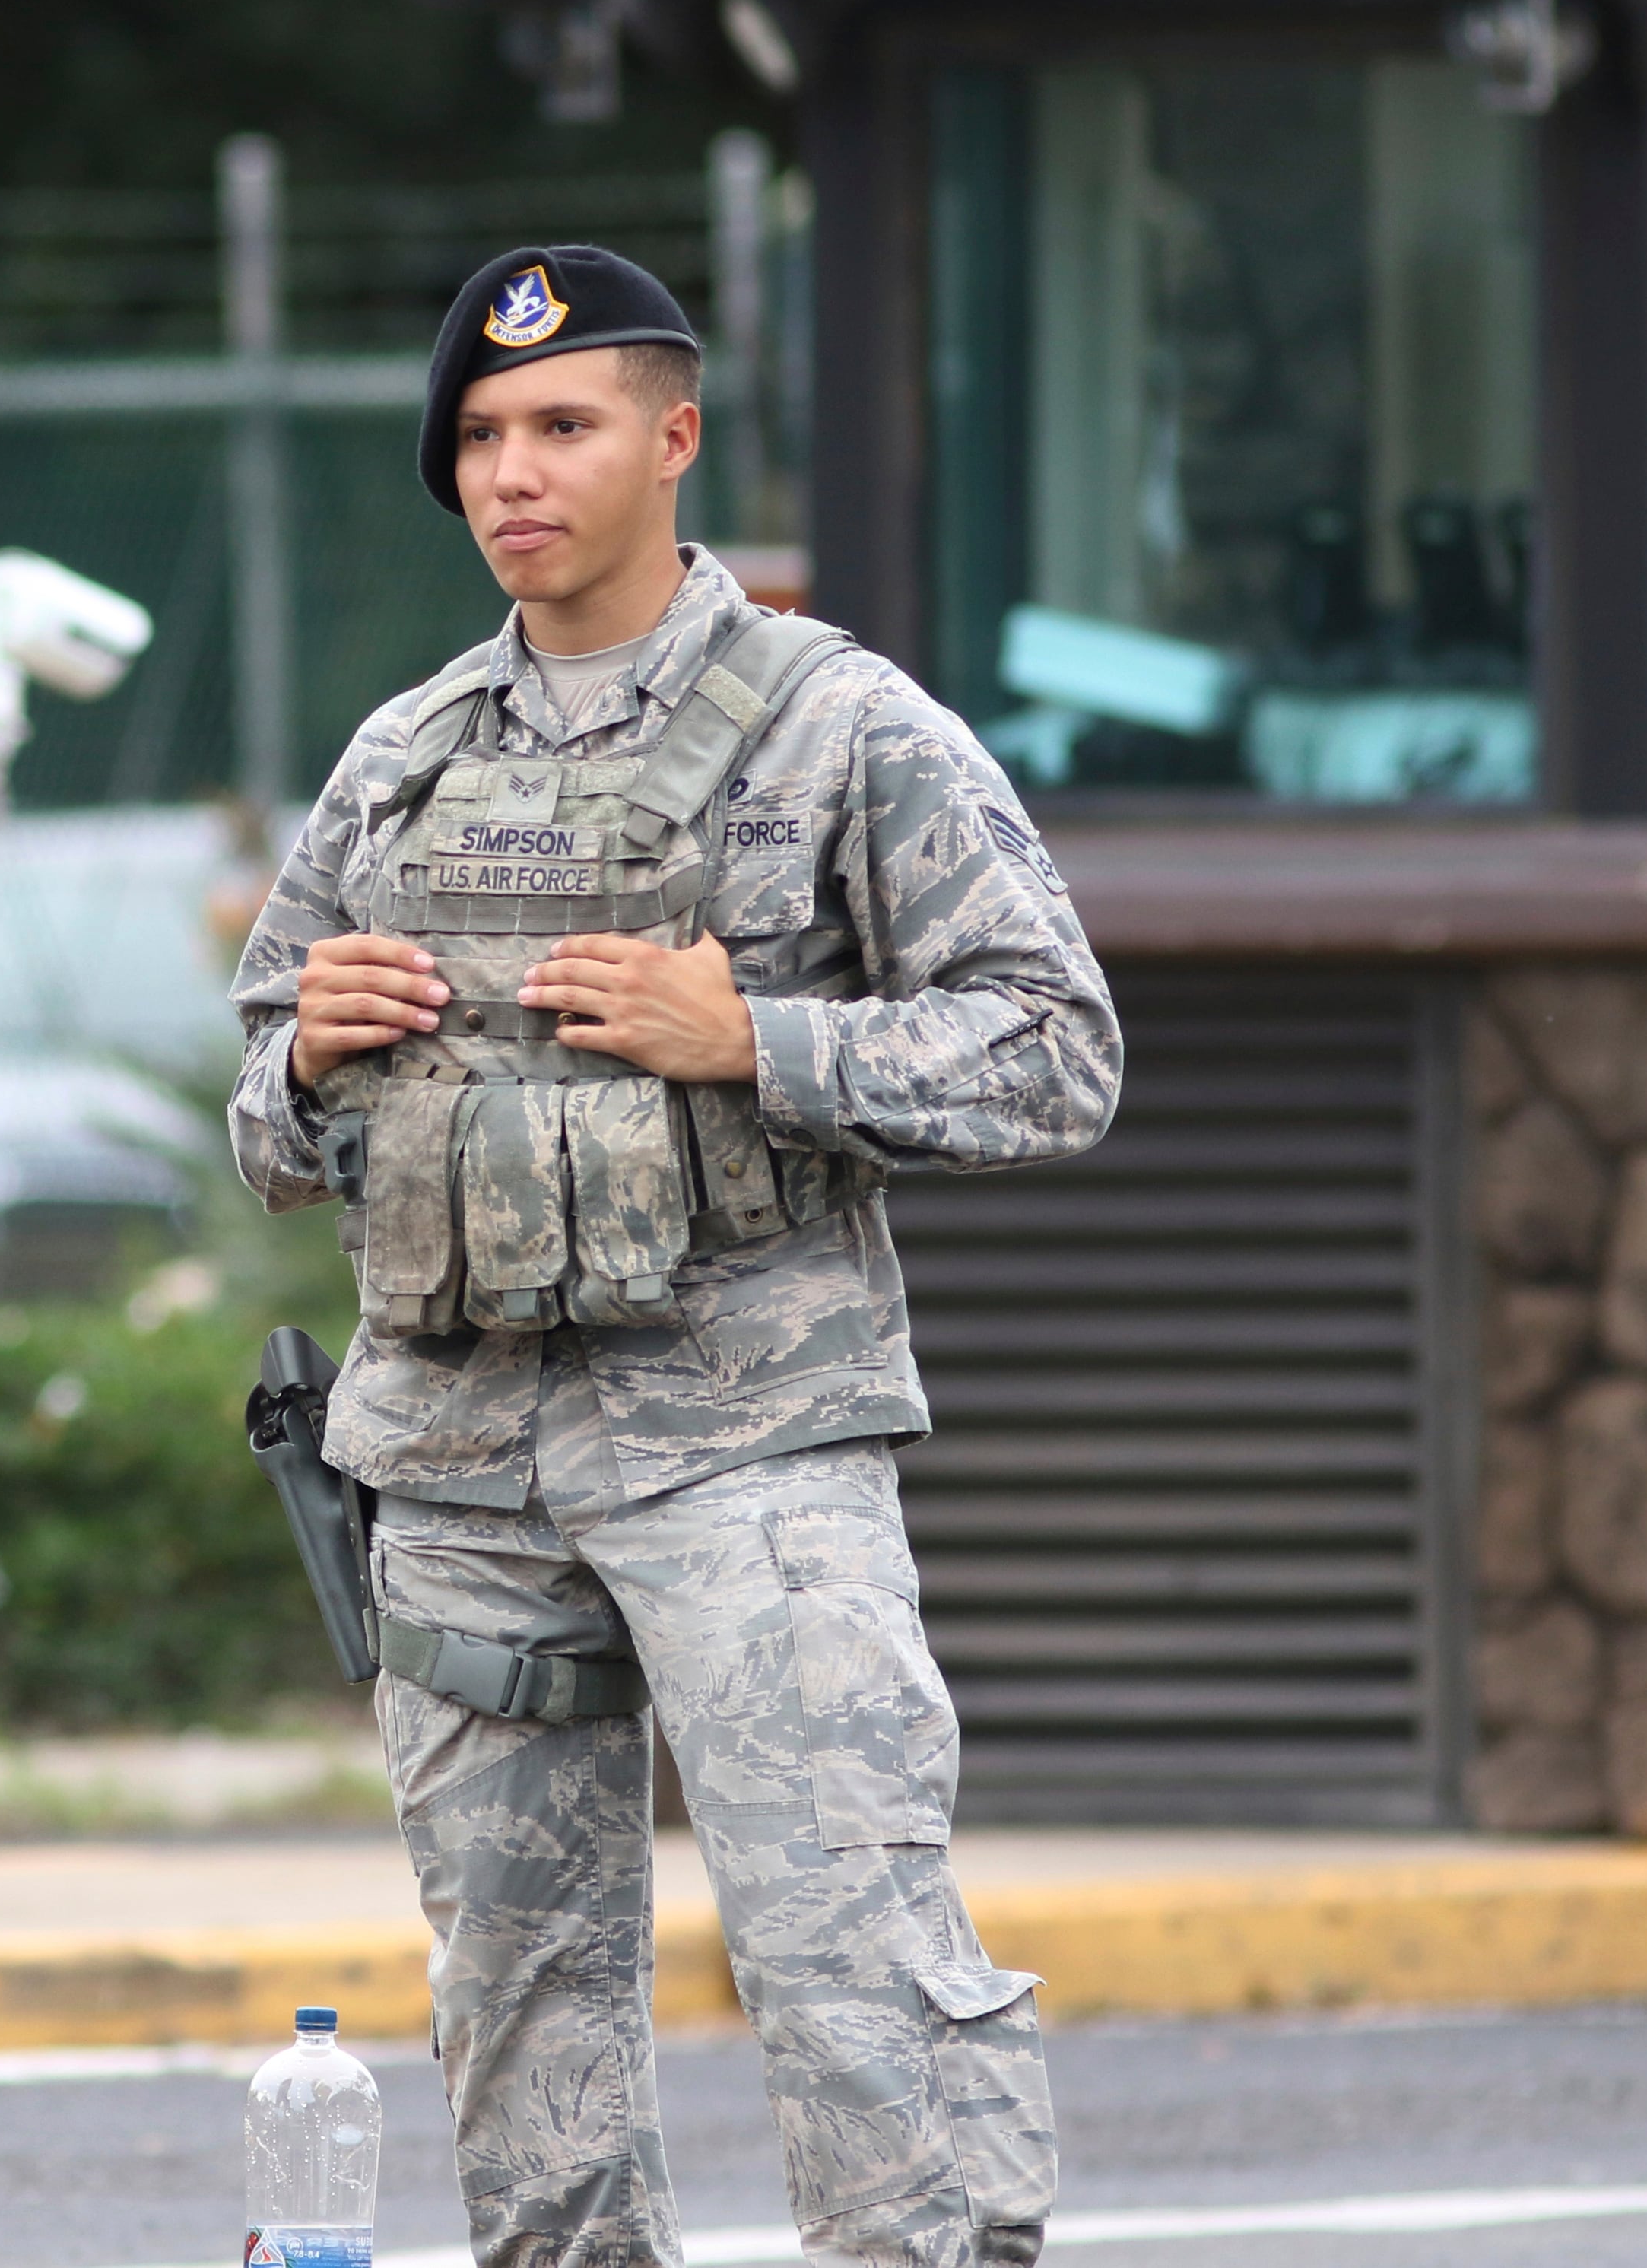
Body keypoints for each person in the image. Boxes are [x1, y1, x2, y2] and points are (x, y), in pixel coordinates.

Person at [225, 244, 1122, 2267]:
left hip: (750, 1449)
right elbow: (263, 1119)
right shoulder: (405, 755)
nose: (512, 471)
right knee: (516, 2016)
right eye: (476, 434)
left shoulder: (839, 725)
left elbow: (1056, 1052)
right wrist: (311, 1054)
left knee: (852, 1962)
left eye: (562, 424)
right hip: (455, 1469)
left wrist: (761, 1041)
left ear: (673, 439)